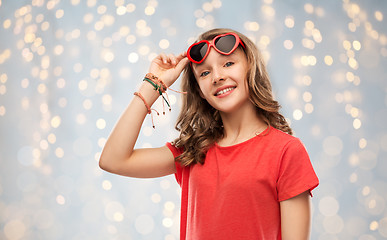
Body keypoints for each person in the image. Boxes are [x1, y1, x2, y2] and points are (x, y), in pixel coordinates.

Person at [99, 28, 319, 240]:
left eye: (229, 64)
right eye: (205, 72)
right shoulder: (192, 152)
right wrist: (153, 83)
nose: (217, 76)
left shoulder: (286, 151)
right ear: (200, 92)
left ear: (250, 68)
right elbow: (113, 160)